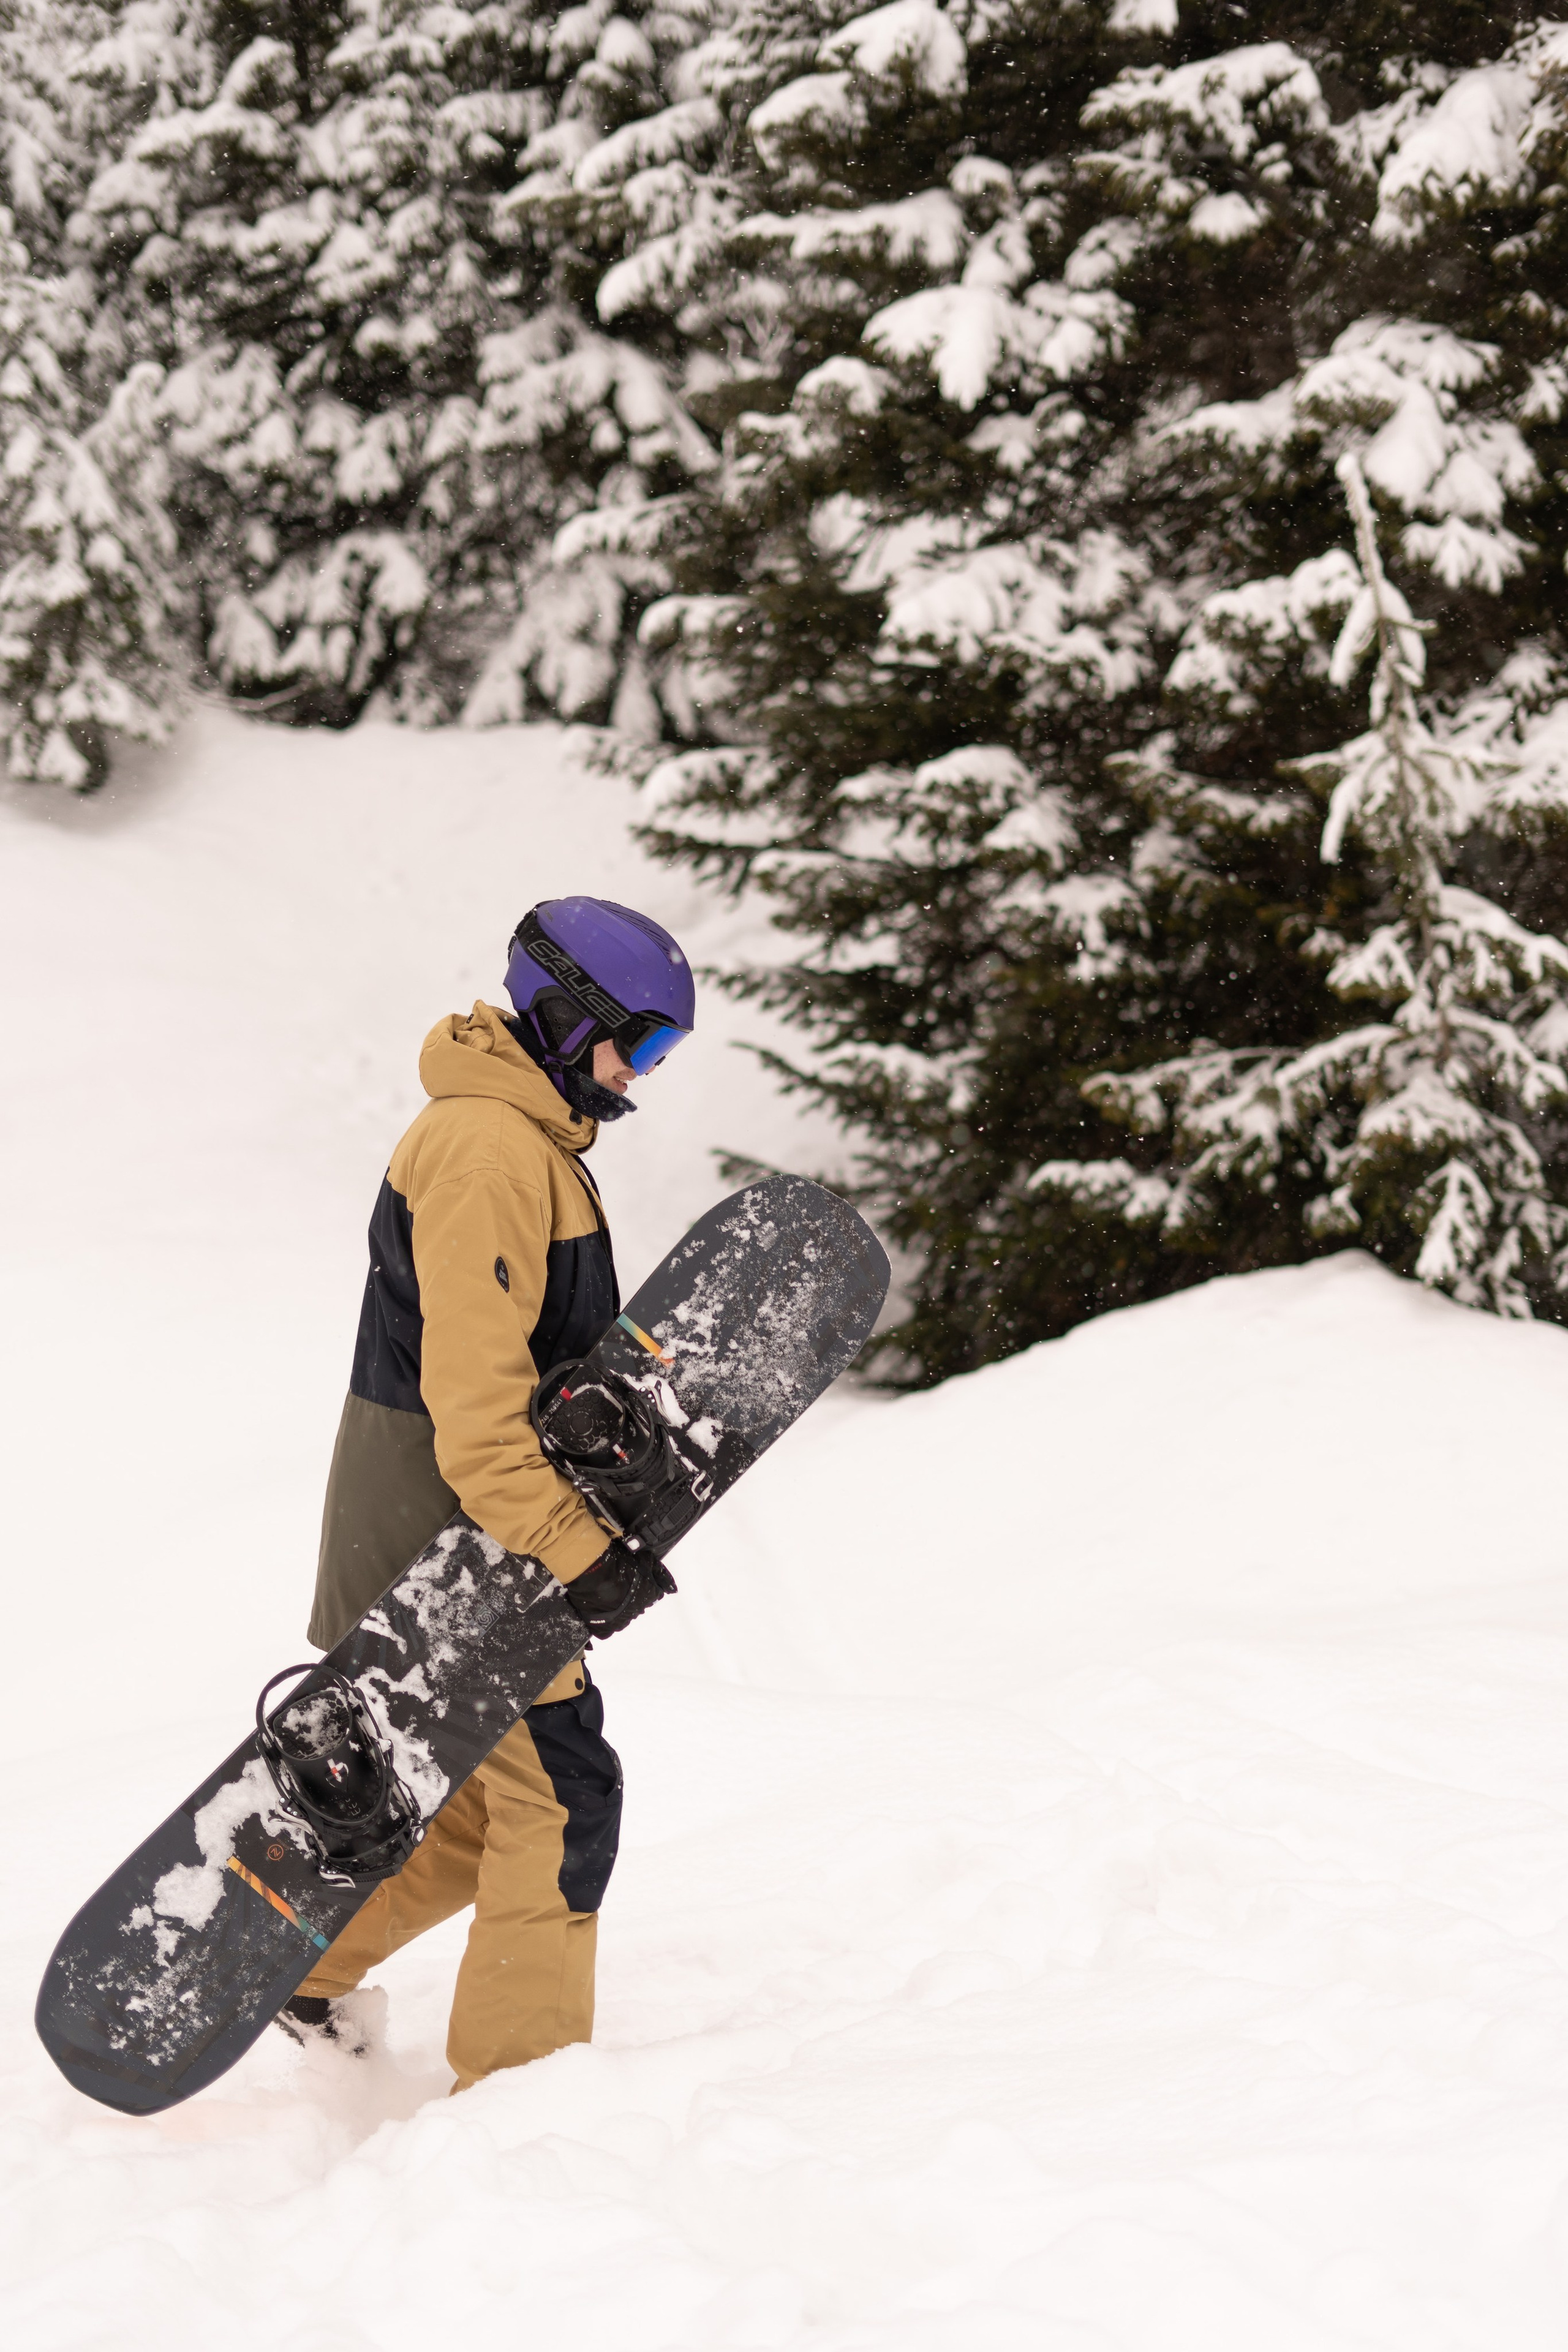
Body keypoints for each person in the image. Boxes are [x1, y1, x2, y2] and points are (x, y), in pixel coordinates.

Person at [279, 896, 695, 2090]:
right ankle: (521, 2102)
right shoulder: (487, 1152)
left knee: (478, 1813)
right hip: (450, 1546)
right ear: (568, 1018)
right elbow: (476, 1410)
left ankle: (301, 1973)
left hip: (468, 1538)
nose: (643, 1071)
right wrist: (579, 1549)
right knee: (562, 1800)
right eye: (641, 1041)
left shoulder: (525, 1139)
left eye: (661, 1049)